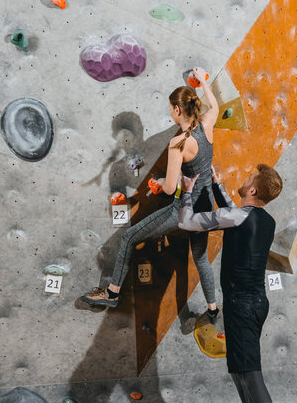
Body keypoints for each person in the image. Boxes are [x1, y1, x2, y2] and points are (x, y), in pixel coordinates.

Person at [178, 165, 289, 403]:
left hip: (241, 307)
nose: (244, 180)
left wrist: (187, 190)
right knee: (239, 368)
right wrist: (215, 183)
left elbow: (188, 222)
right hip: (255, 304)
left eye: (249, 179)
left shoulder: (239, 217)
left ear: (253, 191)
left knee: (252, 378)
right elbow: (232, 211)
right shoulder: (264, 218)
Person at [81, 67, 219, 316]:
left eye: (170, 108)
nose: (169, 112)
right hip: (206, 208)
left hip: (183, 211)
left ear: (178, 110)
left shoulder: (178, 143)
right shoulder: (207, 125)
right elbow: (215, 106)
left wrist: (164, 180)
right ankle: (213, 309)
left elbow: (168, 189)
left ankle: (112, 292)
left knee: (128, 237)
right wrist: (203, 82)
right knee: (200, 259)